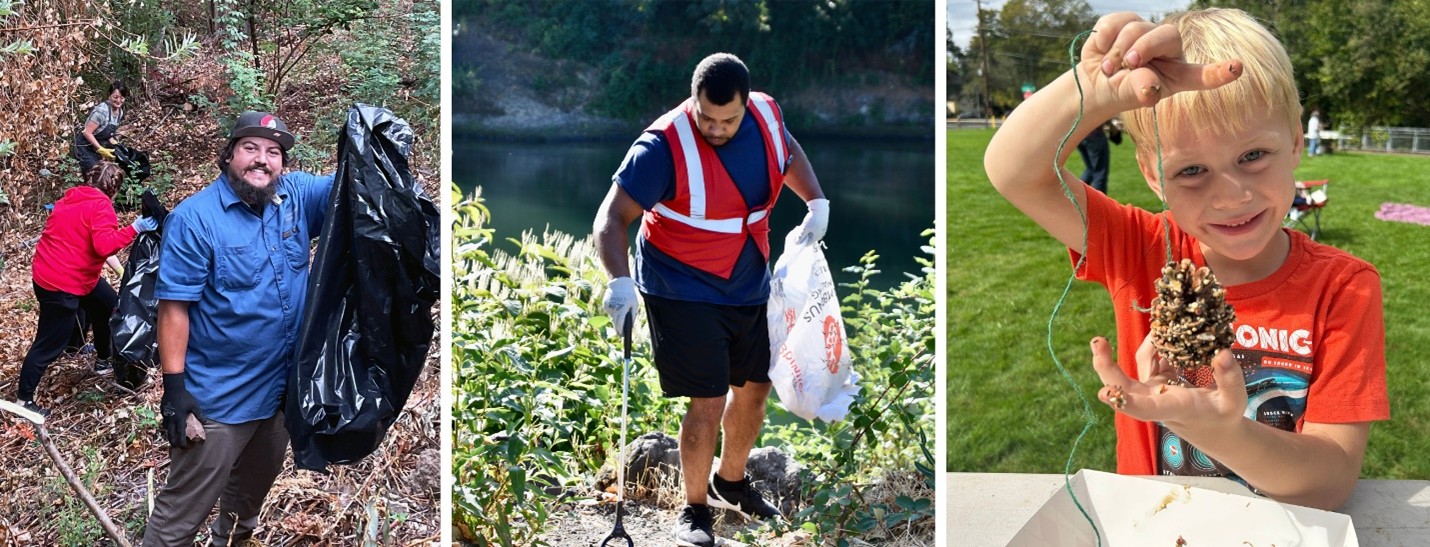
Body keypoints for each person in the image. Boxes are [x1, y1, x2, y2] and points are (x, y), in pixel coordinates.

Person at [984, 9, 1387, 511]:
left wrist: (1222, 433)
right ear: (1153, 176)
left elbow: (1330, 482)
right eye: (1192, 169)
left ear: (1296, 145)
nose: (1230, 196)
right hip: (1154, 524)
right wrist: (1094, 88)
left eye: (1253, 156)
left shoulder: (1345, 288)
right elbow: (1014, 172)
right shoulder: (1140, 246)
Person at [593, 53, 829, 547]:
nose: (716, 128)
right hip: (680, 285)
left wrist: (815, 200)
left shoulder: (765, 113)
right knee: (708, 398)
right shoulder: (661, 146)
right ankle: (694, 509)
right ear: (693, 100)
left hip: (747, 277)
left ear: (746, 104)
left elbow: (787, 151)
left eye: (728, 119)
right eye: (707, 117)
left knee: (755, 386)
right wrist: (619, 281)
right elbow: (611, 219)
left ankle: (732, 482)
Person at [144, 111, 334, 546]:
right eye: (251, 148)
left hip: (279, 395)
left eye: (274, 152)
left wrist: (364, 137)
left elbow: (352, 187)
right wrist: (175, 392)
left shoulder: (297, 196)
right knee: (178, 518)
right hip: (218, 402)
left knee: (245, 506)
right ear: (229, 154)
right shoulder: (195, 219)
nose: (262, 160)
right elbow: (175, 308)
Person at [17, 162, 157, 416]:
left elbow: (87, 243)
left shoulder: (72, 197)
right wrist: (135, 228)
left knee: (107, 305)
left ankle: (103, 359)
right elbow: (104, 246)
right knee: (50, 342)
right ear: (114, 189)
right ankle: (23, 400)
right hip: (61, 284)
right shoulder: (101, 206)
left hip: (61, 273)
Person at [73, 82, 128, 172]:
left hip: (96, 148)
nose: (118, 101)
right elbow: (87, 132)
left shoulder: (119, 112)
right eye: (115, 97)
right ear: (109, 95)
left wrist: (115, 144)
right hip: (83, 147)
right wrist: (100, 149)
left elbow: (107, 133)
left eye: (121, 98)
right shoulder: (102, 111)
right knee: (96, 172)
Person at [1075, 119, 1117, 193]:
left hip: (1079, 136)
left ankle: (1077, 193)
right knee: (1100, 172)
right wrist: (1112, 127)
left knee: (1090, 168)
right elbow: (1103, 113)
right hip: (1095, 136)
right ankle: (1100, 203)